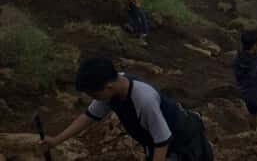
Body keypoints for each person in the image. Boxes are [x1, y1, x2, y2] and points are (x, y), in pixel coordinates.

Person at [39, 57, 213, 161]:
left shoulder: (144, 99)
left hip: (183, 143)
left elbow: (163, 140)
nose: (93, 99)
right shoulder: (113, 86)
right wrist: (56, 140)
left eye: (94, 95)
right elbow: (88, 117)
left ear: (107, 87)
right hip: (156, 142)